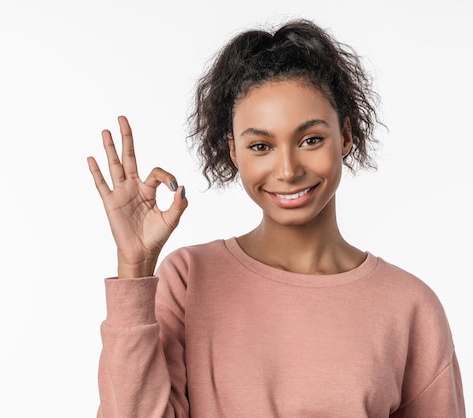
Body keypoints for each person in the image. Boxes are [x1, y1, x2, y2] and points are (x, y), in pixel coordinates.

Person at [87, 18, 465, 417]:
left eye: (311, 140)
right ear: (233, 152)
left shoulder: (410, 306)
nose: (287, 170)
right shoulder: (189, 279)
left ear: (347, 136)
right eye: (261, 145)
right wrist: (134, 268)